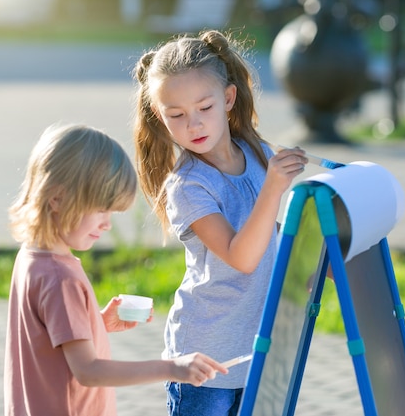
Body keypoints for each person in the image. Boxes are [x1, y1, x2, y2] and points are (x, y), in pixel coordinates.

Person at [132, 30, 308, 415]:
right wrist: (274, 189)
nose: (193, 125)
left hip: (258, 348)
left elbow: (266, 233)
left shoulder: (258, 154)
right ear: (160, 119)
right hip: (204, 359)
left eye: (204, 108)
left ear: (228, 99)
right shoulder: (188, 186)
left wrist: (314, 262)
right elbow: (240, 256)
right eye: (176, 115)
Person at [4, 123, 227, 416]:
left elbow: (48, 340)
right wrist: (173, 367)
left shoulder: (31, 258)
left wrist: (95, 323)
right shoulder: (61, 278)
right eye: (100, 209)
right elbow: (89, 371)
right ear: (56, 198)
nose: (107, 224)